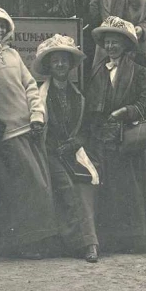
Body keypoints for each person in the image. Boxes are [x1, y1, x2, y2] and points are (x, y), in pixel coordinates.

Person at [0, 6, 57, 259]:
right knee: (19, 189)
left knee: (38, 186)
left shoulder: (13, 55)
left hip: (29, 129)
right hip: (5, 132)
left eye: (1, 26)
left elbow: (30, 86)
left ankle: (33, 241)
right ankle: (17, 243)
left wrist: (37, 114)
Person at [86, 16, 146, 253]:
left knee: (130, 188)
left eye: (115, 42)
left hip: (127, 138)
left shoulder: (138, 71)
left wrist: (125, 112)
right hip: (104, 138)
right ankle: (110, 239)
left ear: (125, 44)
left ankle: (134, 239)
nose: (111, 47)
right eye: (107, 42)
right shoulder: (99, 70)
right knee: (108, 188)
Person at [32, 34, 100, 263]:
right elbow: (38, 128)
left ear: (70, 65)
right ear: (49, 66)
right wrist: (55, 147)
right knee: (67, 187)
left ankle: (89, 242)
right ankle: (82, 244)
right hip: (49, 153)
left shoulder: (78, 96)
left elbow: (86, 128)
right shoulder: (41, 94)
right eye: (55, 61)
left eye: (64, 60)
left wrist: (76, 142)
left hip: (73, 152)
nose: (60, 65)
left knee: (86, 183)